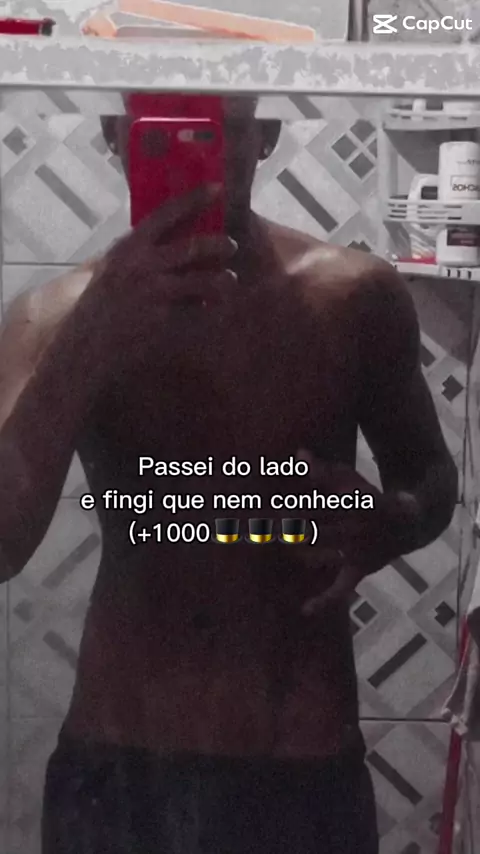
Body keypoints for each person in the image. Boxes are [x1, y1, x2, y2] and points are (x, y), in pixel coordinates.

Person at [0, 95, 457, 854]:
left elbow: (430, 476)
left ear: (266, 135)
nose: (200, 155)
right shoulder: (52, 317)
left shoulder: (354, 298)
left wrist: (393, 523)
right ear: (117, 135)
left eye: (221, 129)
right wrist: (91, 335)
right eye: (166, 130)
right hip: (119, 762)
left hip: (298, 755)